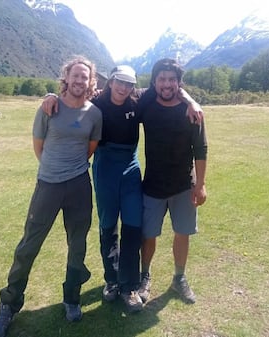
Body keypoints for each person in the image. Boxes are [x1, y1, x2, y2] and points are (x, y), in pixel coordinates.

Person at [41, 65, 203, 312]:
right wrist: (50, 96)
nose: (123, 88)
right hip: (105, 166)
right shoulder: (96, 99)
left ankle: (128, 286)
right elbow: (70, 96)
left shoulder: (138, 99)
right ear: (111, 81)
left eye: (128, 84)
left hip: (130, 167)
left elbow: (170, 87)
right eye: (119, 82)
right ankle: (111, 281)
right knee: (107, 225)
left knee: (133, 225)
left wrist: (191, 101)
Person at [0, 56, 103, 337]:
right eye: (75, 75)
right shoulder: (49, 107)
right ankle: (9, 306)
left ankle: (72, 298)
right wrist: (54, 169)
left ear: (90, 82)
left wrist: (71, 170)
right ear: (66, 77)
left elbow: (90, 148)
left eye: (84, 77)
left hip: (78, 186)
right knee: (28, 246)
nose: (79, 81)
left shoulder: (94, 114)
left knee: (77, 245)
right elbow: (38, 147)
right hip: (48, 185)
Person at [138, 58, 207, 305]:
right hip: (153, 185)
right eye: (162, 79)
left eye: (171, 80)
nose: (166, 84)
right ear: (154, 82)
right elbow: (113, 95)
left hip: (183, 186)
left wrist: (200, 184)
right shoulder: (145, 105)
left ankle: (179, 279)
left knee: (183, 233)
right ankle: (144, 277)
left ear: (178, 83)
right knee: (148, 235)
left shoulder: (193, 112)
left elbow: (201, 149)